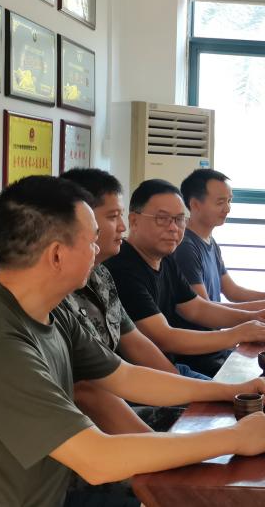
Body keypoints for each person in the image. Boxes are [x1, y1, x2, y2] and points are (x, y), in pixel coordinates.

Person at [0, 176, 265, 507]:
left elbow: (125, 376)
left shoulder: (53, 309)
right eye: (91, 241)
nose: (99, 250)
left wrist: (230, 390)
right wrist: (234, 438)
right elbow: (97, 459)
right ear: (57, 255)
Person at [61, 168, 210, 436]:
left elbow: (136, 346)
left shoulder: (101, 274)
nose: (122, 227)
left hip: (128, 392)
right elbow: (90, 393)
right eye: (113, 217)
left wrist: (192, 390)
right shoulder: (64, 293)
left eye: (179, 219)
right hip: (94, 422)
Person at [104, 179, 265, 378]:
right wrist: (237, 333)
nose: (173, 228)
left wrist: (253, 317)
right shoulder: (122, 268)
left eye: (179, 219)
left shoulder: (166, 258)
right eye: (162, 218)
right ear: (134, 221)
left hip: (172, 368)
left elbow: (196, 308)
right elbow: (164, 337)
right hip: (149, 378)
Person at [176, 168, 265, 308]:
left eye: (229, 201)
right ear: (195, 204)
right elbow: (205, 309)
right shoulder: (186, 247)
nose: (227, 209)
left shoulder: (210, 242)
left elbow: (232, 291)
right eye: (220, 202)